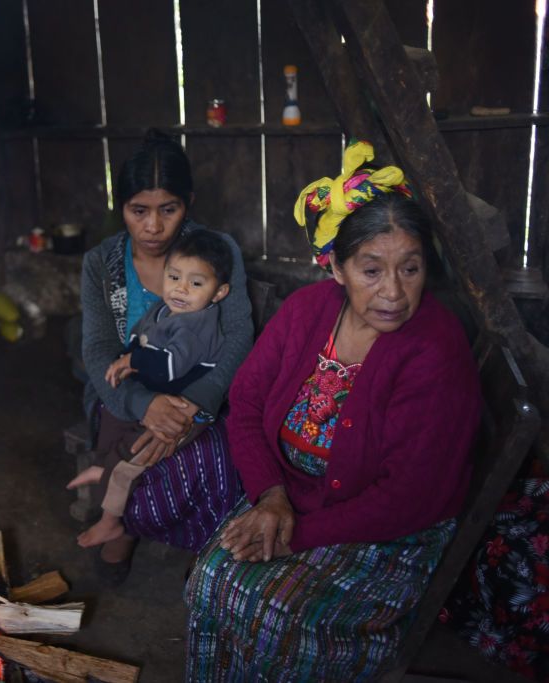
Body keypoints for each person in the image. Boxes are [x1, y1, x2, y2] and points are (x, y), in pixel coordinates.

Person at [184, 141, 482, 681]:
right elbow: (247, 399)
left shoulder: (434, 351)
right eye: (372, 270)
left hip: (389, 535)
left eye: (410, 269)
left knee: (269, 609)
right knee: (210, 580)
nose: (394, 292)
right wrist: (273, 498)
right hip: (293, 499)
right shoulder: (307, 311)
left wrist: (295, 533)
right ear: (337, 268)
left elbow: (406, 500)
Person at [78, 130, 254, 581]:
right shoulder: (101, 264)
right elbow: (99, 350)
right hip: (125, 390)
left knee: (207, 458)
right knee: (135, 441)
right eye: (139, 211)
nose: (153, 227)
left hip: (201, 389)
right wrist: (146, 404)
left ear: (188, 203)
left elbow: (237, 337)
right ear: (122, 207)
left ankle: (207, 566)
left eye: (168, 210)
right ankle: (122, 532)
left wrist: (195, 405)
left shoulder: (214, 253)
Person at [69, 230, 233, 549]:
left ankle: (110, 523)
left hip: (185, 411)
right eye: (174, 277)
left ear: (219, 292)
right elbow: (140, 335)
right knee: (112, 418)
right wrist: (127, 354)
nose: (181, 289)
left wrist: (133, 360)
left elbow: (169, 365)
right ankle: (104, 469)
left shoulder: (196, 325)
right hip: (159, 392)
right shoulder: (165, 308)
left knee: (135, 456)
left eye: (196, 284)